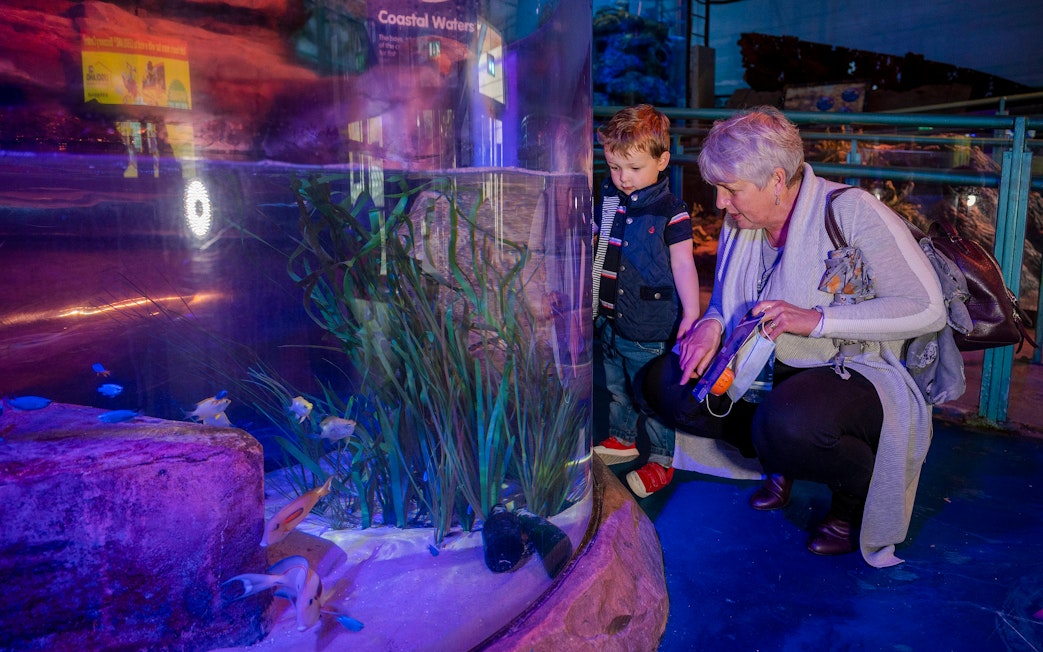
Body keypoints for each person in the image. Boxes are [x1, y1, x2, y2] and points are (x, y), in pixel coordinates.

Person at [640, 106, 946, 567]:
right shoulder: (742, 221)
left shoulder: (852, 210)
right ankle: (777, 457)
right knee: (664, 383)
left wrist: (818, 320)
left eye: (730, 190)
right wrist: (711, 326)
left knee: (788, 424)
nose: (720, 203)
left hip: (850, 365)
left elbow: (926, 307)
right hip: (765, 363)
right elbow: (726, 300)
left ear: (777, 180)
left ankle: (851, 499)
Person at [591, 104, 701, 498]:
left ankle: (662, 458)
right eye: (614, 167)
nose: (623, 177)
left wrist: (692, 313)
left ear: (662, 161)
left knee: (650, 394)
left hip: (650, 324)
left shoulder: (672, 211)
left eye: (634, 168)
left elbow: (684, 264)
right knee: (617, 385)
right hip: (609, 317)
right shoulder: (609, 197)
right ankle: (623, 439)